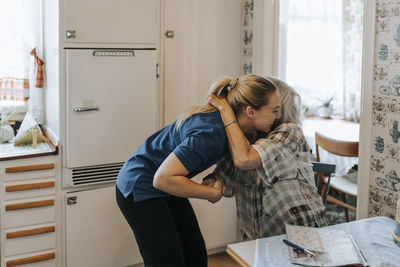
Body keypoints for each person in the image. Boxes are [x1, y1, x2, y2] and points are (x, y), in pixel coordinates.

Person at [115, 74, 280, 267]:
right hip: (139, 187)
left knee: (195, 256)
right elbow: (162, 179)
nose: (277, 117)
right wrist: (210, 193)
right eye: (274, 111)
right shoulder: (211, 134)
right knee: (167, 262)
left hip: (163, 184)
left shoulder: (233, 127)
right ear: (251, 111)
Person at [207, 77, 327, 241]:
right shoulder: (246, 140)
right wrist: (215, 182)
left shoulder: (290, 132)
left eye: (277, 108)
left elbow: (244, 160)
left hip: (300, 233)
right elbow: (223, 181)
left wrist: (226, 112)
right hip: (258, 237)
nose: (276, 114)